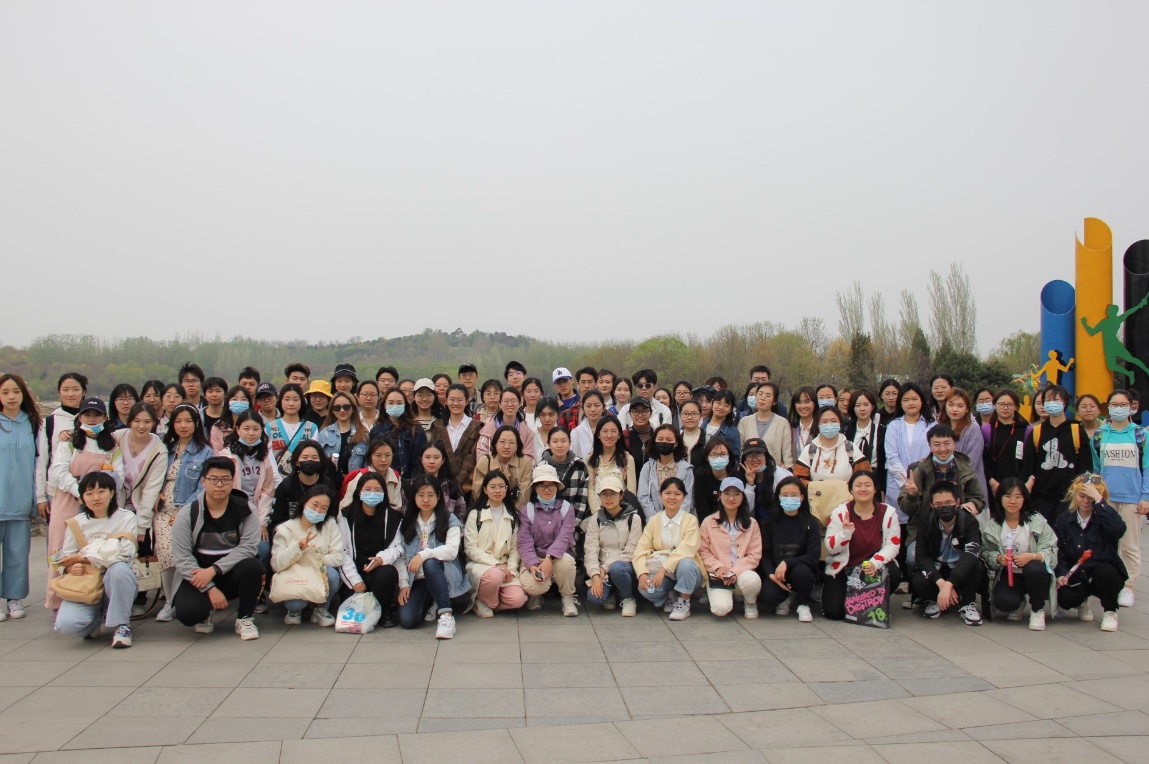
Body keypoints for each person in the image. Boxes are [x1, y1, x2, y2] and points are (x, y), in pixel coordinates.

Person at [171, 456, 264, 639]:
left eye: (225, 479)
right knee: (189, 614)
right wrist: (209, 588)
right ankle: (204, 613)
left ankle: (245, 618)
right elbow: (182, 558)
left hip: (230, 572)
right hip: (198, 575)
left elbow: (248, 548)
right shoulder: (188, 514)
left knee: (254, 566)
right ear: (203, 482)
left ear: (232, 481)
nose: (219, 484)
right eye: (213, 479)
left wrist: (214, 570)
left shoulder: (247, 510)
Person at [46, 397, 124, 610]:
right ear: (79, 417)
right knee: (60, 549)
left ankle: (94, 598)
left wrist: (98, 494)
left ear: (105, 417)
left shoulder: (112, 446)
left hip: (99, 504)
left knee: (96, 551)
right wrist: (81, 493)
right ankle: (57, 600)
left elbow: (118, 476)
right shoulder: (69, 441)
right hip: (68, 500)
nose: (92, 419)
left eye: (96, 415)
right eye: (87, 414)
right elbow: (58, 472)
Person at [52, 472, 138, 648]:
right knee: (66, 624)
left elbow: (124, 552)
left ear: (112, 492)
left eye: (101, 491)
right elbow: (65, 558)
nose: (96, 498)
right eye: (89, 493)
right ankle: (94, 620)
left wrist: (83, 557)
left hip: (116, 581)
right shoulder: (76, 523)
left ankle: (122, 626)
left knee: (119, 569)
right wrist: (70, 568)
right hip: (87, 584)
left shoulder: (126, 517)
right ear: (82, 497)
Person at [152, 404, 213, 622]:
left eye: (188, 421)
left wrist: (185, 510)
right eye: (178, 421)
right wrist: (155, 495)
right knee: (165, 554)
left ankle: (179, 599)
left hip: (187, 509)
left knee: (180, 555)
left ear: (196, 423)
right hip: (162, 509)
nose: (183, 425)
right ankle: (169, 601)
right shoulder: (164, 447)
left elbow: (203, 486)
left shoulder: (205, 451)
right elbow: (152, 475)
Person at [1091, 389, 1149, 609]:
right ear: (1108, 407)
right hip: (1106, 498)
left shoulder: (1141, 435)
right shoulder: (1100, 435)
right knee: (1107, 543)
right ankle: (1112, 583)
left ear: (1131, 407)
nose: (1118, 409)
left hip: (1132, 497)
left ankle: (1129, 586)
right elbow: (1096, 469)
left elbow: (1147, 468)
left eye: (1123, 405)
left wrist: (1145, 497)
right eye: (1114, 405)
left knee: (1129, 545)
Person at [821, 471, 902, 621]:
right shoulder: (840, 513)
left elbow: (893, 545)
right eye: (858, 485)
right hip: (844, 570)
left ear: (875, 489)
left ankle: (875, 602)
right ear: (851, 489)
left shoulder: (888, 513)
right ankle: (856, 600)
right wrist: (845, 533)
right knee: (833, 612)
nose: (863, 489)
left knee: (894, 573)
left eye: (868, 485)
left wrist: (875, 563)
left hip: (872, 569)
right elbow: (831, 547)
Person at [397, 475, 469, 638]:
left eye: (430, 495)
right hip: (418, 579)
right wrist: (403, 584)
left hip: (443, 574)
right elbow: (400, 556)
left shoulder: (449, 519)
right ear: (414, 497)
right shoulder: (407, 522)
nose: (425, 500)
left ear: (438, 496)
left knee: (429, 563)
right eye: (421, 495)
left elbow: (452, 550)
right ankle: (432, 600)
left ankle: (446, 615)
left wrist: (423, 554)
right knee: (408, 620)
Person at [1054, 474, 1128, 632]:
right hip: (1078, 574)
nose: (1086, 501)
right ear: (1074, 495)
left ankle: (1110, 611)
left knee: (1106, 572)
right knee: (1065, 597)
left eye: (1091, 497)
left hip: (1101, 574)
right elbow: (1060, 551)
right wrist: (1061, 574)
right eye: (1082, 496)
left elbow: (1119, 529)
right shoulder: (1064, 519)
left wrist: (1100, 501)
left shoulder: (1104, 516)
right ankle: (1082, 602)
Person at [981, 478, 1057, 630]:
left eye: (1018, 497)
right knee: (1004, 602)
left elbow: (1051, 551)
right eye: (1008, 496)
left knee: (1034, 569)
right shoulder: (993, 525)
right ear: (1000, 498)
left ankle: (1037, 610)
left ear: (1024, 499)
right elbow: (986, 552)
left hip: (1035, 572)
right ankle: (1018, 602)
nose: (1012, 501)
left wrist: (1032, 557)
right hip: (1009, 573)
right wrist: (998, 558)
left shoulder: (1036, 520)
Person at [911, 481, 984, 625]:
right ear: (932, 505)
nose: (944, 507)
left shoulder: (968, 521)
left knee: (975, 565)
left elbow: (971, 553)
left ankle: (967, 603)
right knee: (918, 581)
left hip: (959, 569)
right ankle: (936, 599)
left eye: (948, 502)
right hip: (938, 568)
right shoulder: (926, 520)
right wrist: (941, 584)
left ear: (957, 502)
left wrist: (950, 583)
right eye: (938, 504)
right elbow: (921, 556)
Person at [338, 471, 405, 629]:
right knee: (352, 605)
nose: (372, 494)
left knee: (386, 574)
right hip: (354, 571)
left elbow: (397, 547)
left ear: (384, 493)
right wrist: (355, 580)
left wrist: (381, 559)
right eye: (367, 490)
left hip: (379, 569)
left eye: (377, 490)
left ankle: (385, 609)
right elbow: (342, 551)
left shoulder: (394, 517)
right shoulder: (346, 516)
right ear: (359, 492)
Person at [633, 477, 705, 621]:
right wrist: (642, 573)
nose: (672, 497)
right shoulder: (654, 521)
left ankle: (683, 602)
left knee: (685, 562)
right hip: (664, 574)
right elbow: (641, 550)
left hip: (689, 573)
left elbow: (687, 549)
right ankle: (671, 595)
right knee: (645, 589)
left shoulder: (690, 520)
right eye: (667, 493)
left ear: (684, 497)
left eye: (677, 494)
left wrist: (664, 569)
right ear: (661, 495)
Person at [271, 485, 343, 627]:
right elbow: (276, 564)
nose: (318, 511)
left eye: (323, 508)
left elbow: (338, 557)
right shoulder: (285, 529)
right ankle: (294, 610)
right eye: (314, 505)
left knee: (332, 575)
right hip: (297, 576)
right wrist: (298, 548)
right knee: (295, 603)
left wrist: (313, 559)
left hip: (319, 573)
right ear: (305, 502)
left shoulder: (329, 524)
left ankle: (321, 608)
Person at [0, 374, 41, 620]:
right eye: (5, 392)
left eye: (16, 391)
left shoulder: (33, 424)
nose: (11, 396)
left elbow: (39, 464)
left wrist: (37, 499)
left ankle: (14, 598)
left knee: (17, 554)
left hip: (21, 502)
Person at [1021, 384, 1093, 523]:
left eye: (1056, 400)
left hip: (1069, 498)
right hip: (1041, 498)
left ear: (1064, 403)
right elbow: (1028, 466)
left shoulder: (1076, 429)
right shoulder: (1037, 431)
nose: (1051, 404)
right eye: (1048, 400)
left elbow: (1085, 465)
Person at [517, 463, 579, 616]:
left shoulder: (567, 508)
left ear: (557, 487)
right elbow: (524, 541)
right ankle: (535, 595)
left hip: (559, 557)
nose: (547, 489)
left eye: (551, 485)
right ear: (535, 488)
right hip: (535, 557)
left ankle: (567, 597)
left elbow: (565, 536)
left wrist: (550, 558)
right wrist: (533, 564)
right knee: (534, 586)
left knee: (567, 563)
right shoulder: (527, 510)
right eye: (542, 485)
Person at [463, 470, 527, 617]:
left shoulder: (513, 515)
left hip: (505, 566)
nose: (497, 491)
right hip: (482, 565)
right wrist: (495, 565)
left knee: (518, 600)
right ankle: (482, 600)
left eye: (501, 486)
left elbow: (515, 549)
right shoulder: (475, 514)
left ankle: (487, 603)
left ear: (507, 489)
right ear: (485, 490)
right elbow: (470, 548)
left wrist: (511, 569)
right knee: (494, 576)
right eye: (492, 487)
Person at [757, 477, 822, 622]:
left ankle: (803, 604)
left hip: (800, 570)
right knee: (768, 598)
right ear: (779, 497)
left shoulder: (811, 523)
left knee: (803, 573)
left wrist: (787, 562)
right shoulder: (769, 524)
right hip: (777, 573)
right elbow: (765, 554)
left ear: (802, 497)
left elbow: (813, 556)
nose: (789, 499)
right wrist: (771, 574)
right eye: (785, 495)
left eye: (794, 495)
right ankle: (786, 596)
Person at [699, 477, 763, 619]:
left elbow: (754, 555)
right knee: (720, 610)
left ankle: (750, 601)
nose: (731, 498)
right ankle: (722, 596)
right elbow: (703, 551)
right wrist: (718, 567)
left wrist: (734, 571)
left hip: (742, 574)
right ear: (720, 495)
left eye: (736, 494)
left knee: (752, 580)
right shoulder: (709, 522)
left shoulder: (751, 523)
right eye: (727, 493)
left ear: (742, 497)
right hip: (718, 575)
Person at [583, 476, 642, 615]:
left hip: (625, 567)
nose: (608, 498)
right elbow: (590, 549)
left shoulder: (634, 518)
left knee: (617, 568)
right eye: (604, 494)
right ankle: (612, 592)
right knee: (594, 597)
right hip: (603, 571)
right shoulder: (596, 519)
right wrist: (595, 575)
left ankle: (628, 598)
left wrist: (606, 566)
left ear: (621, 495)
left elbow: (631, 551)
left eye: (613, 494)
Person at [115, 403, 167, 550]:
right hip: (114, 507)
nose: (141, 426)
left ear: (154, 423)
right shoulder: (117, 437)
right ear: (130, 421)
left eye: (147, 421)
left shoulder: (159, 451)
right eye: (137, 421)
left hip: (138, 508)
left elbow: (152, 489)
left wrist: (142, 525)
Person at [270, 441, 340, 544]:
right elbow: (277, 519)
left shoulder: (328, 485)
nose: (309, 461)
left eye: (314, 458)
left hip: (321, 535)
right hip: (290, 536)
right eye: (305, 457)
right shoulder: (286, 486)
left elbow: (332, 516)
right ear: (296, 462)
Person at [884, 382, 933, 515]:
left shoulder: (932, 425)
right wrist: (907, 483)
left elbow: (934, 454)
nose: (910, 403)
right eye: (906, 400)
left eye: (914, 399)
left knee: (925, 517)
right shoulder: (893, 426)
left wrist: (918, 482)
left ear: (921, 401)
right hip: (899, 483)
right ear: (900, 403)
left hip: (926, 482)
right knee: (898, 520)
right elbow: (892, 457)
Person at [938, 388, 989, 512]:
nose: (955, 409)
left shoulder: (973, 429)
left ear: (967, 409)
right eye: (951, 405)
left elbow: (970, 463)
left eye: (960, 406)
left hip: (970, 490)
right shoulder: (940, 429)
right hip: (944, 491)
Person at [429, 384, 484, 496]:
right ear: (446, 401)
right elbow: (435, 454)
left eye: (460, 400)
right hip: (441, 485)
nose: (455, 403)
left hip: (468, 486)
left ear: (467, 401)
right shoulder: (438, 426)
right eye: (452, 399)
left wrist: (458, 483)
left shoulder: (476, 426)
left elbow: (473, 457)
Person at [794, 407, 871, 483]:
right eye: (824, 422)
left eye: (834, 421)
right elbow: (798, 479)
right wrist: (814, 487)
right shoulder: (810, 449)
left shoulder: (850, 448)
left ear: (840, 423)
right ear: (818, 425)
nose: (829, 425)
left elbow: (865, 477)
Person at [637, 424, 694, 520]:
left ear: (676, 443)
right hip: (653, 522)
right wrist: (657, 520)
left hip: (680, 522)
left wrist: (674, 520)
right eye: (660, 439)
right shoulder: (648, 467)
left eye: (669, 440)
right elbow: (643, 497)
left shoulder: (686, 469)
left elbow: (687, 500)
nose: (664, 442)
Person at [538, 426, 591, 529]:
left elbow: (581, 502)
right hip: (544, 526)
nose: (559, 445)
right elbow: (537, 501)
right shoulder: (541, 467)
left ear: (570, 443)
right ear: (549, 444)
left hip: (571, 526)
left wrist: (569, 527)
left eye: (563, 441)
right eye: (555, 441)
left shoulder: (580, 466)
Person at [471, 426, 533, 510]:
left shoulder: (525, 463)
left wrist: (511, 512)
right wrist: (494, 510)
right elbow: (478, 492)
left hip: (515, 511)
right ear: (495, 444)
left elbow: (524, 495)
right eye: (502, 442)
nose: (506, 446)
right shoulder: (485, 461)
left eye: (511, 442)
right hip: (487, 509)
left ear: (517, 445)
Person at [370, 389, 427, 479]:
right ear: (385, 405)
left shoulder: (416, 429)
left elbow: (420, 459)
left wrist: (413, 481)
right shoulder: (376, 430)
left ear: (405, 405)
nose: (395, 406)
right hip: (385, 479)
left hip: (411, 481)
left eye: (399, 403)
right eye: (391, 403)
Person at [265, 383, 319, 476]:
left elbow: (314, 456)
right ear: (280, 401)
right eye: (287, 399)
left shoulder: (311, 428)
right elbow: (267, 457)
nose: (291, 403)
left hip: (303, 478)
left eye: (295, 399)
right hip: (275, 479)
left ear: (302, 401)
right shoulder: (269, 427)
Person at [586, 415, 637, 513]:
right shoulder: (591, 459)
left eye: (613, 431)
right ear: (598, 434)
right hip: (598, 511)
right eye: (605, 431)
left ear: (619, 435)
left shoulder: (627, 459)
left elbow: (631, 491)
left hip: (622, 511)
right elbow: (590, 490)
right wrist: (597, 513)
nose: (609, 435)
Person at [983, 389, 1029, 498]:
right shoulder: (986, 430)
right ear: (995, 405)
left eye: (1009, 405)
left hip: (1019, 486)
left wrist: (1021, 485)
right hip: (993, 485)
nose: (1005, 408)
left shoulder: (1027, 430)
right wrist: (992, 482)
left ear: (1016, 407)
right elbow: (982, 459)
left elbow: (1030, 460)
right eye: (1001, 404)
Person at [340, 438, 404, 514]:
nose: (383, 460)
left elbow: (396, 506)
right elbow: (346, 506)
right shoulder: (360, 477)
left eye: (387, 455)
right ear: (370, 456)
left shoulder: (395, 477)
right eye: (378, 455)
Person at [738, 381, 793, 468]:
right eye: (760, 394)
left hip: (774, 471)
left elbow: (787, 454)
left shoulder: (782, 423)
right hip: (749, 471)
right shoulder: (744, 422)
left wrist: (788, 470)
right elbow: (740, 451)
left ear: (774, 401)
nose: (762, 398)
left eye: (768, 395)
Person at [476, 387, 536, 463]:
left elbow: (529, 459)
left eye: (513, 401)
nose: (510, 404)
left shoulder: (526, 431)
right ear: (500, 404)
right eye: (506, 401)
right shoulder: (488, 428)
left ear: (520, 403)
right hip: (491, 469)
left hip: (518, 469)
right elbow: (481, 455)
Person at [741, 437, 792, 527]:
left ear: (766, 457)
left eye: (759, 454)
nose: (755, 459)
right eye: (750, 456)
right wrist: (750, 484)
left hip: (779, 525)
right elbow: (745, 510)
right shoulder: (740, 477)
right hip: (753, 527)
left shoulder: (781, 476)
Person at [318, 391, 369, 478]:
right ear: (332, 410)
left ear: (353, 409)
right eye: (337, 408)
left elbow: (367, 465)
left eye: (346, 407)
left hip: (355, 481)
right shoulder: (324, 434)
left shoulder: (363, 435)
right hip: (330, 481)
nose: (342, 410)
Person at [413, 441, 468, 521]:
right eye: (427, 457)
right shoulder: (411, 485)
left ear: (443, 460)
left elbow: (460, 515)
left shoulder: (451, 486)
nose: (432, 461)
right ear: (421, 459)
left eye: (436, 457)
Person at [844, 390, 886, 494]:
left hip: (874, 480)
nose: (862, 409)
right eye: (858, 405)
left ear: (872, 407)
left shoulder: (882, 431)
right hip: (850, 480)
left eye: (866, 405)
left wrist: (882, 489)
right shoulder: (846, 431)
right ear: (853, 408)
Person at [694, 436, 744, 519]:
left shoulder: (737, 476)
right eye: (714, 455)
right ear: (707, 457)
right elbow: (701, 507)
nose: (719, 458)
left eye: (723, 454)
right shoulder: (701, 476)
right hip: (708, 522)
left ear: (729, 455)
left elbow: (741, 505)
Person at [209, 385, 254, 452]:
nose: (239, 402)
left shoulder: (256, 426)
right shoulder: (218, 427)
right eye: (235, 399)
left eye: (243, 399)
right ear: (228, 402)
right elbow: (216, 452)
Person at [570, 390, 607, 460]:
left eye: (597, 405)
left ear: (603, 408)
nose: (593, 409)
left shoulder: (611, 429)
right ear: (583, 409)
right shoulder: (576, 433)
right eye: (588, 406)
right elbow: (574, 458)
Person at [623, 397, 657, 468]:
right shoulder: (624, 436)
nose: (640, 415)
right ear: (630, 414)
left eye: (644, 411)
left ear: (651, 413)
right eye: (635, 411)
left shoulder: (657, 436)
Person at [789, 386, 817, 456]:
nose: (803, 406)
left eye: (807, 402)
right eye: (799, 402)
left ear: (815, 403)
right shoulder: (790, 429)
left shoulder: (821, 428)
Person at [679, 399, 708, 465]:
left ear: (700, 416)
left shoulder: (708, 439)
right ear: (680, 416)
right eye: (685, 414)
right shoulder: (676, 440)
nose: (689, 417)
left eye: (694, 414)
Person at [533, 398, 561, 462]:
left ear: (558, 415)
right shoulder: (531, 434)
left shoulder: (563, 435)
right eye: (543, 415)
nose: (547, 419)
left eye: (551, 414)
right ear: (538, 415)